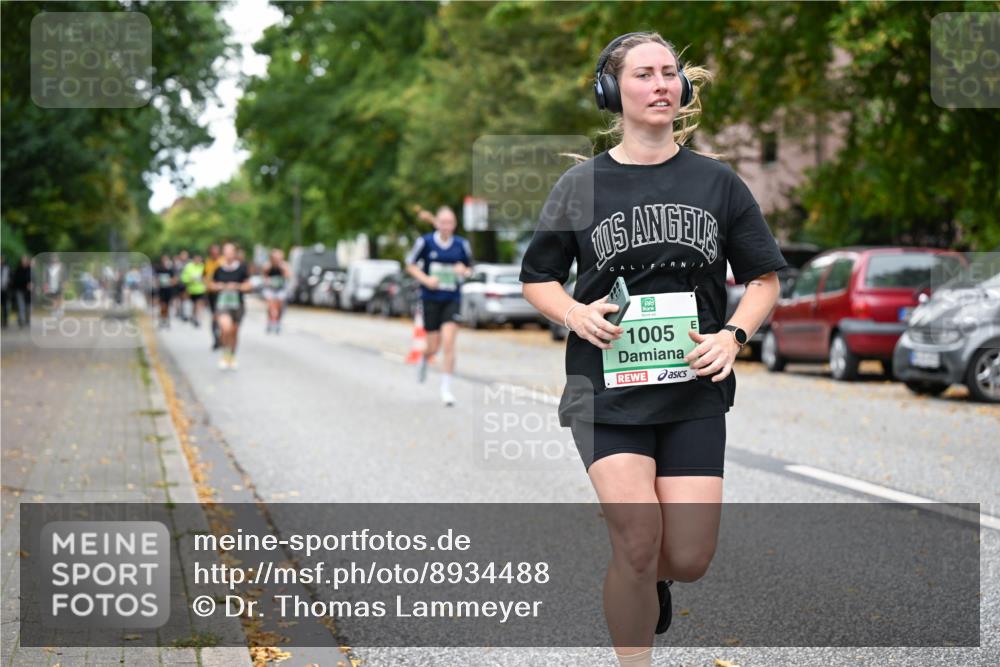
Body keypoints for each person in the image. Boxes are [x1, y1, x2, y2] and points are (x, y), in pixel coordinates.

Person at [520, 32, 785, 667]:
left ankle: (651, 580)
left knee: (687, 557)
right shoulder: (579, 185)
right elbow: (537, 278)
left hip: (693, 389)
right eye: (644, 74)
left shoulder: (717, 183)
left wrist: (734, 335)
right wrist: (575, 313)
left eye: (670, 73)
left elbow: (764, 280)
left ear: (683, 89)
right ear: (613, 91)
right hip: (606, 390)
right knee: (638, 542)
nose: (661, 84)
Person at [405, 206, 473, 406]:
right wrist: (426, 280)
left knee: (449, 342)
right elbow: (409, 264)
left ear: (454, 224)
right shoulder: (424, 242)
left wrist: (464, 271)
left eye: (450, 223)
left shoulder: (461, 244)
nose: (446, 226)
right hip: (430, 298)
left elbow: (469, 268)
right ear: (437, 223)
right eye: (443, 222)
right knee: (433, 346)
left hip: (452, 299)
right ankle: (425, 359)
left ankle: (446, 389)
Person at [209, 242, 251, 370]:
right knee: (225, 328)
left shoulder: (242, 268)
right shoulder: (218, 269)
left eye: (231, 252)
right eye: (226, 252)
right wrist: (219, 286)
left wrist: (237, 286)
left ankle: (231, 356)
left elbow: (249, 286)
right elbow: (210, 285)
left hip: (238, 304)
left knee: (234, 332)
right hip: (223, 304)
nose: (228, 255)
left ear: (235, 253)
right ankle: (224, 354)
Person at [261, 248, 291, 334]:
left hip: (280, 289)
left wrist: (282, 269)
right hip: (270, 289)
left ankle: (277, 322)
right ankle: (270, 321)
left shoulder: (284, 266)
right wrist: (267, 280)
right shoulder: (267, 266)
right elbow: (264, 276)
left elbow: (288, 276)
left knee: (279, 306)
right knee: (271, 306)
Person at [180, 254, 207, 327]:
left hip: (200, 289)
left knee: (198, 304)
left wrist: (204, 282)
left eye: (199, 259)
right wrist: (190, 279)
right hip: (190, 289)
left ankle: (197, 319)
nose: (198, 260)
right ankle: (192, 316)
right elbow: (183, 278)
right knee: (192, 305)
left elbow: (206, 277)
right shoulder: (188, 266)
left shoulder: (203, 266)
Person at [204, 244, 223, 349]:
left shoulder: (223, 261)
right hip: (212, 294)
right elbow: (204, 277)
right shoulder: (207, 263)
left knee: (222, 316)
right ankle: (216, 338)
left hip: (223, 293)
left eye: (216, 252)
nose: (214, 254)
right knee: (215, 316)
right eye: (212, 252)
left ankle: (222, 337)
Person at [153, 254, 176, 329]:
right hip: (161, 290)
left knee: (168, 306)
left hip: (168, 290)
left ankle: (166, 320)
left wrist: (169, 281)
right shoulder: (158, 269)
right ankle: (162, 320)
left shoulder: (170, 270)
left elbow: (174, 280)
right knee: (162, 306)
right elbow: (155, 279)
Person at [12, 256, 32, 328]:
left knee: (28, 306)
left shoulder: (30, 269)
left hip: (28, 292)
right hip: (19, 290)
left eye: (25, 260)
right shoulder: (18, 269)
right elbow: (14, 280)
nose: (24, 261)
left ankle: (27, 319)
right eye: (23, 260)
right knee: (21, 305)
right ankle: (21, 320)